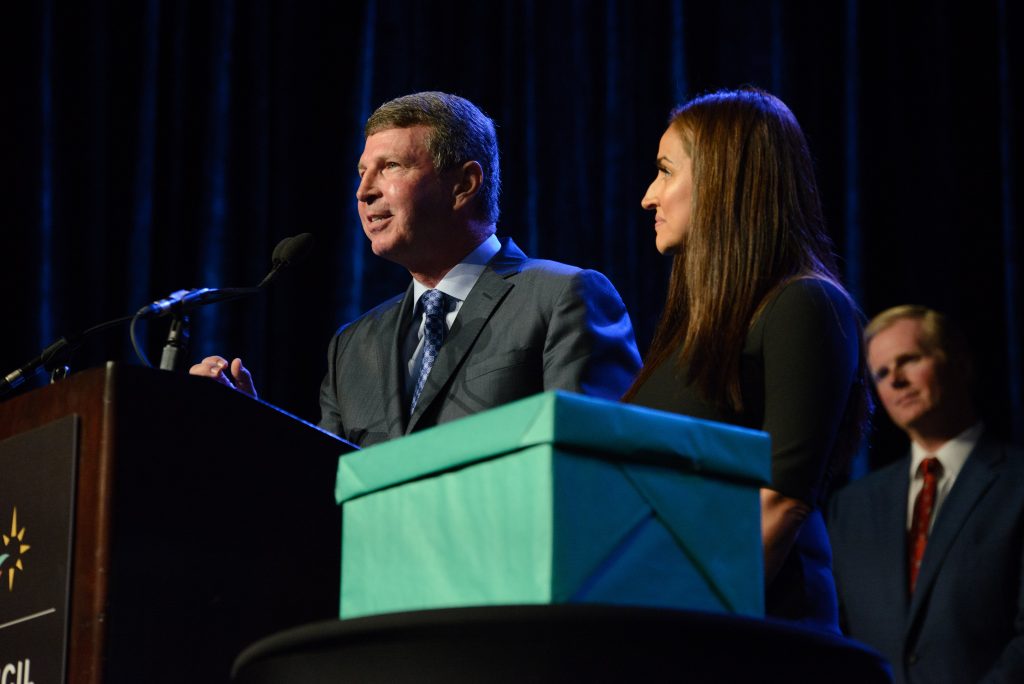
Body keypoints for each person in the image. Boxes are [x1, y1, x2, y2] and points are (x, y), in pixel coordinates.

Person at [191, 91, 641, 447]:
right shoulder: (352, 346)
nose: (363, 192)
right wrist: (253, 425)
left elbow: (593, 464)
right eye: (362, 172)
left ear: (464, 184)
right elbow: (324, 489)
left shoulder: (563, 297)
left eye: (390, 167)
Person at [623, 88, 869, 632]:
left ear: (722, 179)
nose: (648, 196)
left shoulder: (804, 303)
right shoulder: (690, 334)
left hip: (756, 634)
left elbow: (781, 502)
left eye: (665, 172)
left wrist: (687, 626)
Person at [828, 305, 1024, 684]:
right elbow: (837, 637)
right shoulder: (849, 507)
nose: (895, 381)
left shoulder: (1016, 482)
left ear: (960, 363)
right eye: (881, 373)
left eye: (909, 360)